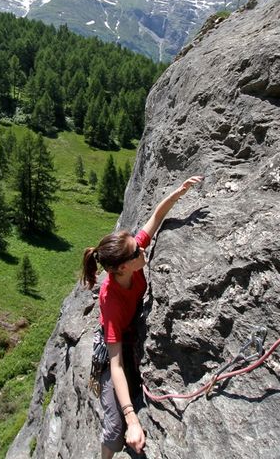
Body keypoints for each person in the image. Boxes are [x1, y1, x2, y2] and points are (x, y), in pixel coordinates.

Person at [82, 175, 203, 458]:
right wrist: (132, 419)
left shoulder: (130, 260)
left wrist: (179, 192)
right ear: (122, 268)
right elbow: (116, 364)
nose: (142, 249)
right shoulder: (111, 301)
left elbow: (155, 218)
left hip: (130, 332)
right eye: (137, 252)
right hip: (114, 346)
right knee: (114, 430)